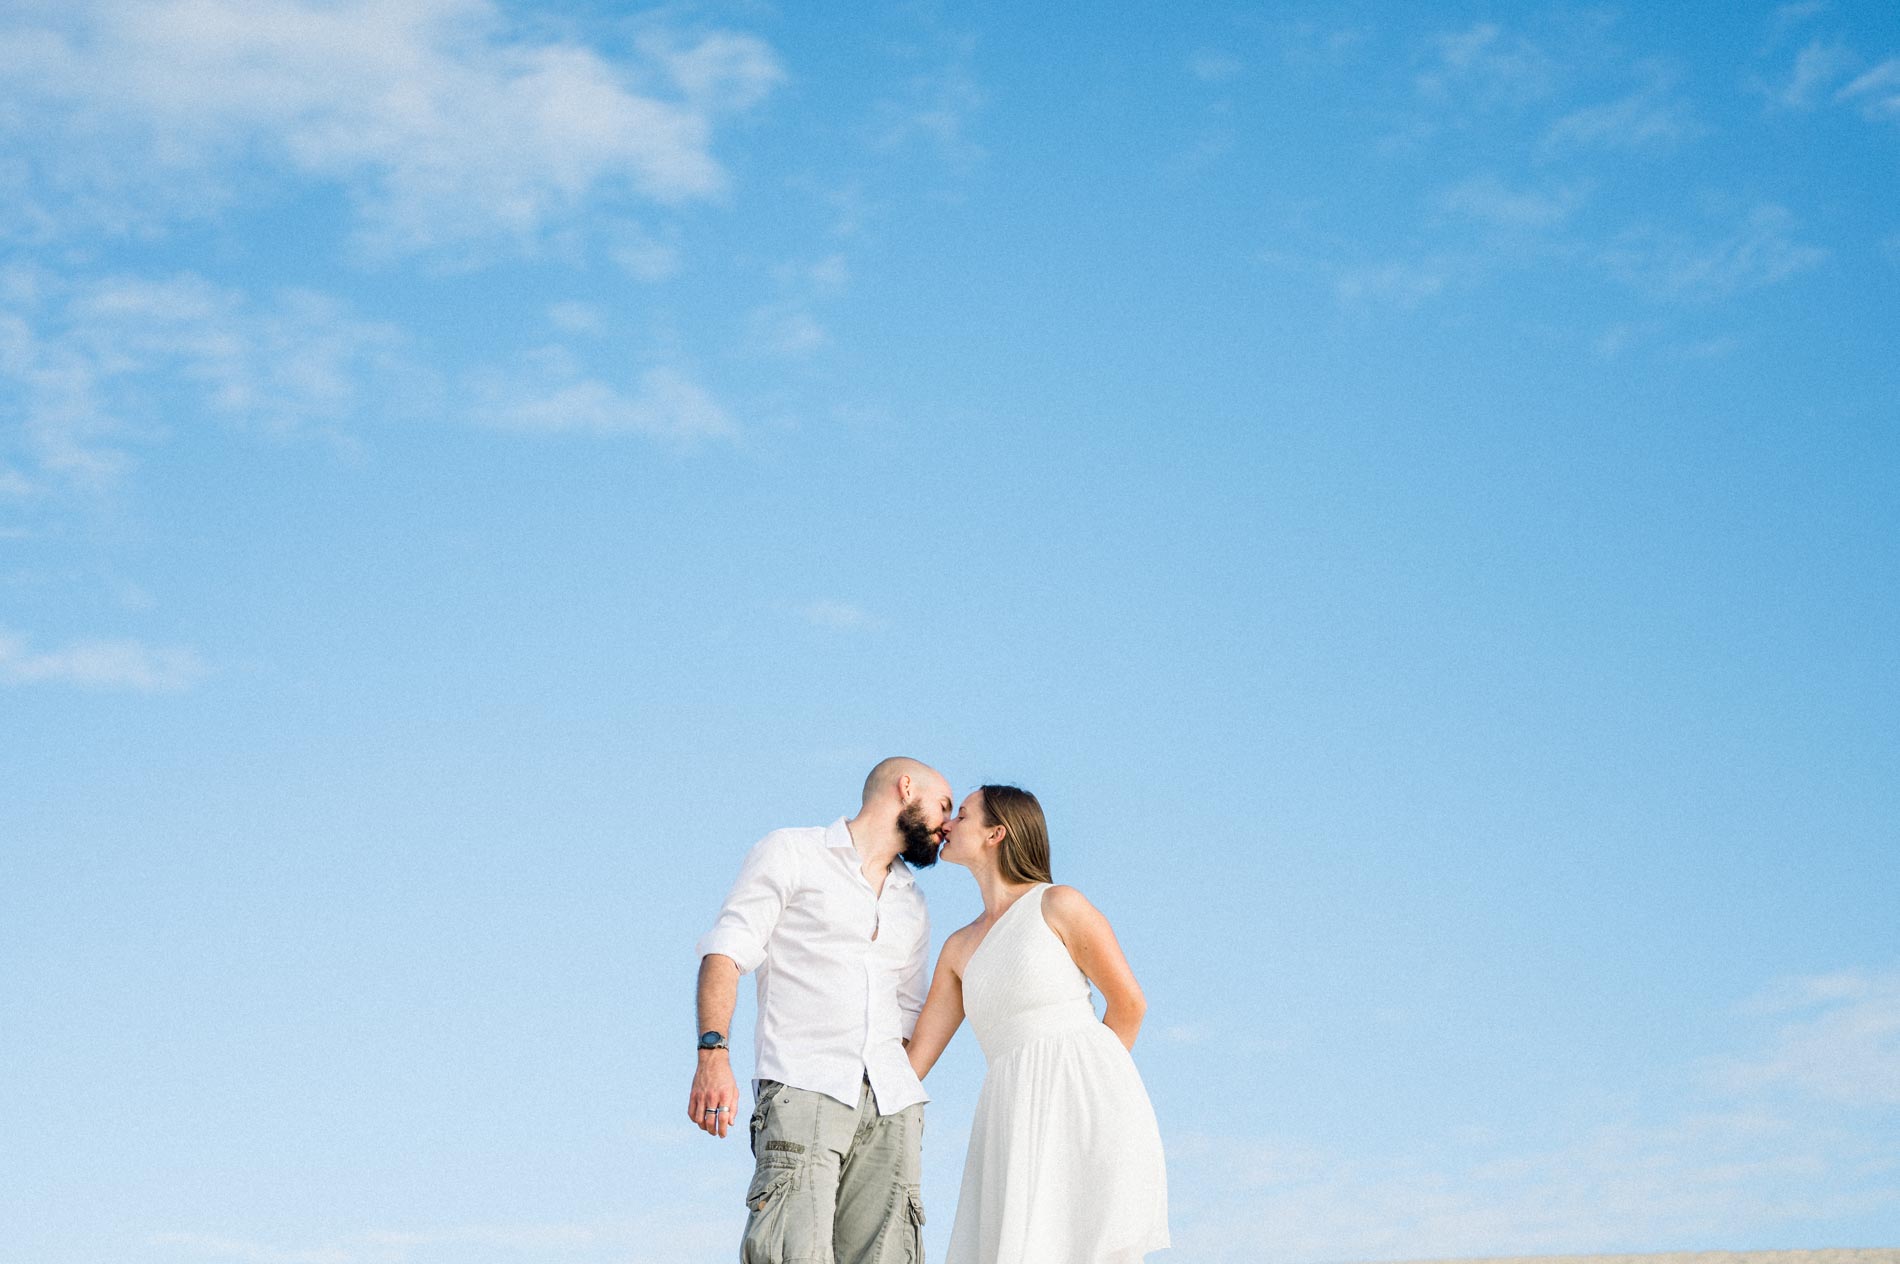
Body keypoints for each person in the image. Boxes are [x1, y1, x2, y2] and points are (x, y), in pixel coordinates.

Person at [691, 757, 954, 1264]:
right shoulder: (792, 851)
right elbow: (726, 951)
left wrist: (893, 1097)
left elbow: (907, 1011)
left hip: (892, 1110)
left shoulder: (912, 901)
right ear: (905, 789)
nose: (947, 823)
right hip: (804, 1087)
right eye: (943, 805)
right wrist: (712, 1054)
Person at [906, 785, 1170, 1264]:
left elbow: (1129, 1004)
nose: (947, 824)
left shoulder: (1059, 904)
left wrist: (1084, 1090)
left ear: (996, 833)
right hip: (1010, 1113)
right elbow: (914, 1061)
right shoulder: (959, 948)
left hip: (1085, 1105)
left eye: (961, 815)